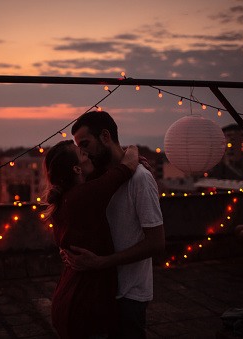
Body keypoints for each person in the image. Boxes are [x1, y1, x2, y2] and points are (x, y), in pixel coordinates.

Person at [64, 110, 166, 339]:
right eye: (79, 147)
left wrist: (102, 262)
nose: (83, 152)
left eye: (86, 144)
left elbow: (157, 243)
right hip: (102, 289)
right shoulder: (100, 176)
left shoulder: (140, 178)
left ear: (105, 136)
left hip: (130, 293)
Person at [44, 140, 140, 339]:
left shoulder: (67, 198)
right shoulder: (86, 194)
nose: (88, 153)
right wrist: (134, 149)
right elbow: (129, 165)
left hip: (68, 301)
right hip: (86, 309)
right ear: (77, 169)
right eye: (83, 153)